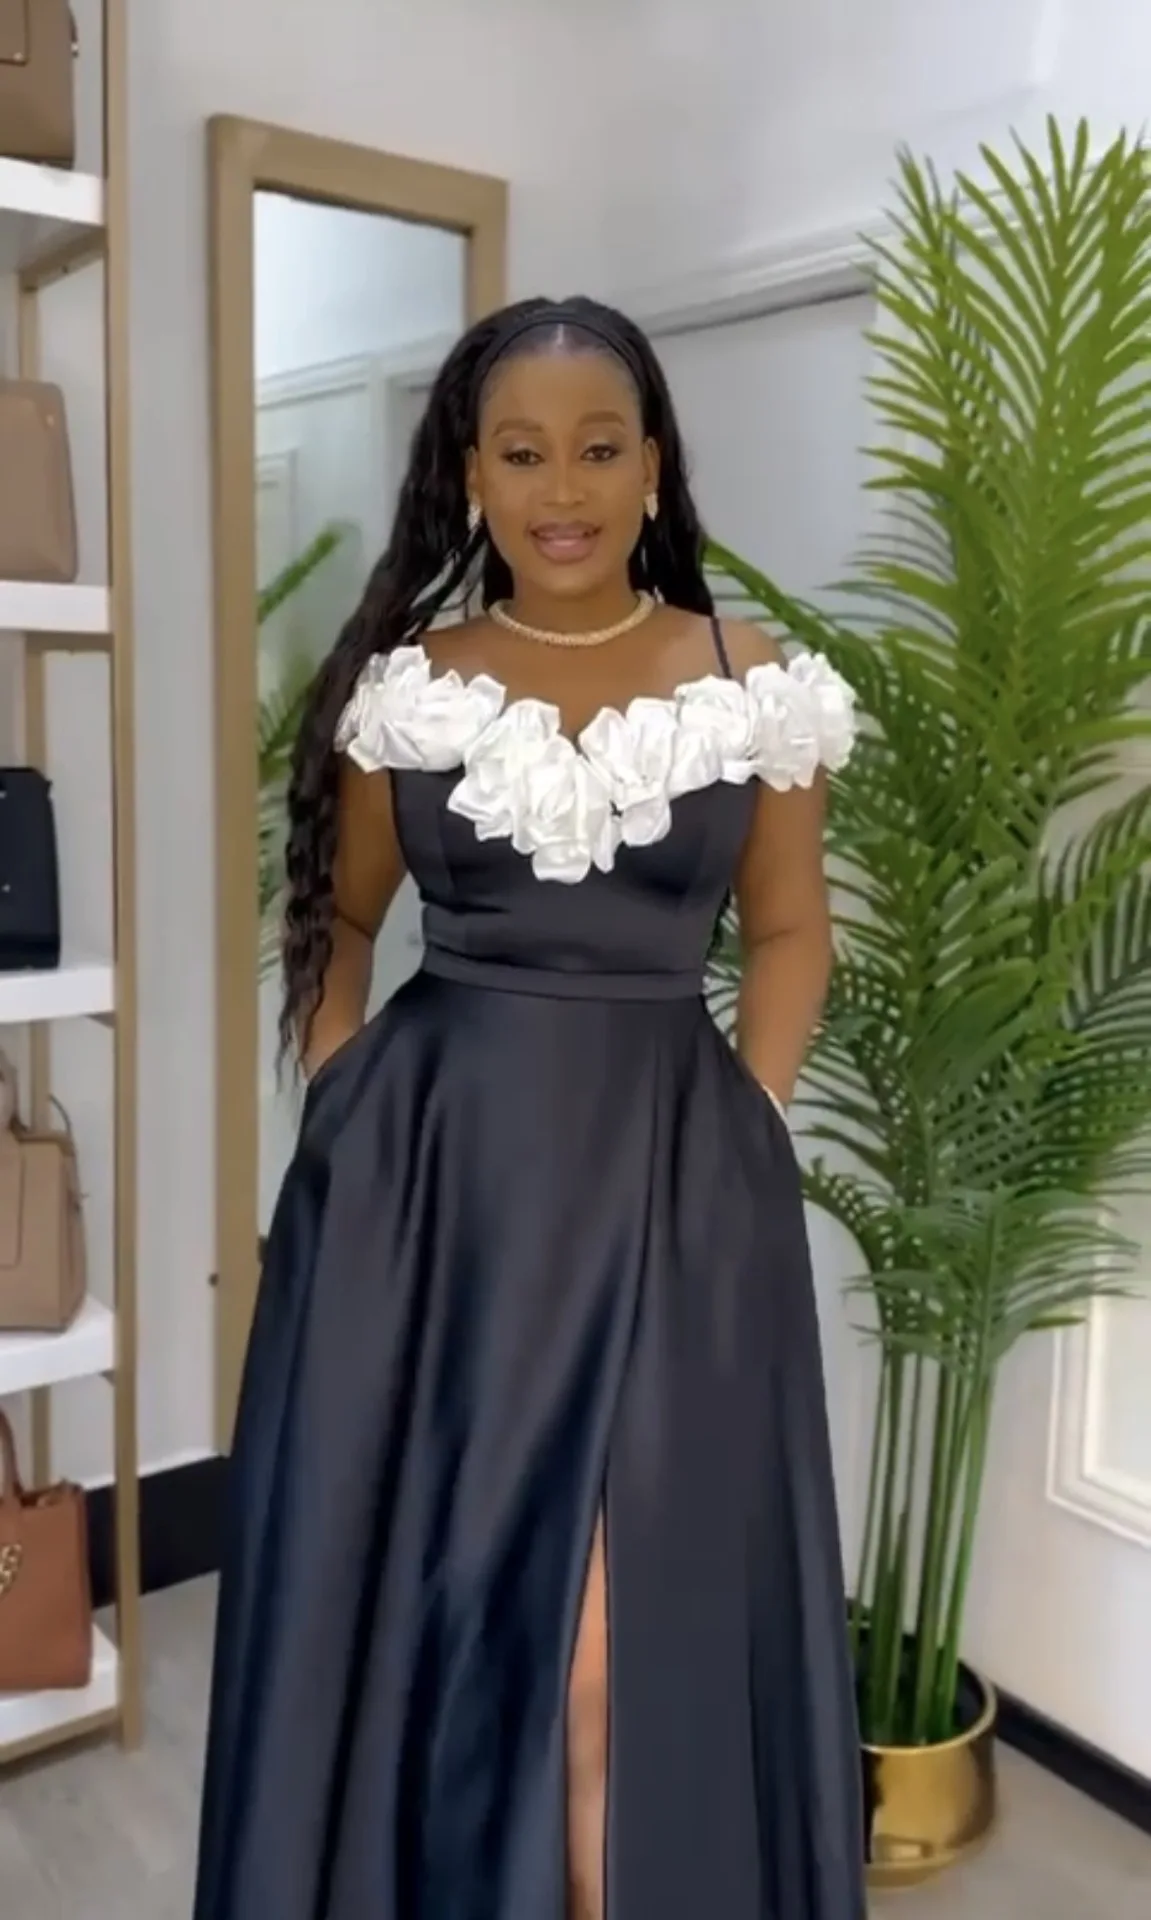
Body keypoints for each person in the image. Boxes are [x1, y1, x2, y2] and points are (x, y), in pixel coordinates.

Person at [193, 295, 866, 1920]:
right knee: (457, 1613)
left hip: (671, 1190)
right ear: (470, 478)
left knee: (618, 1646)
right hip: (434, 1203)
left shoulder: (752, 683)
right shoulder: (411, 690)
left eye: (597, 447)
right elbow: (338, 918)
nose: (561, 488)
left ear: (652, 469)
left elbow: (789, 930)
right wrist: (345, 1107)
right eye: (520, 452)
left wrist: (749, 1120)